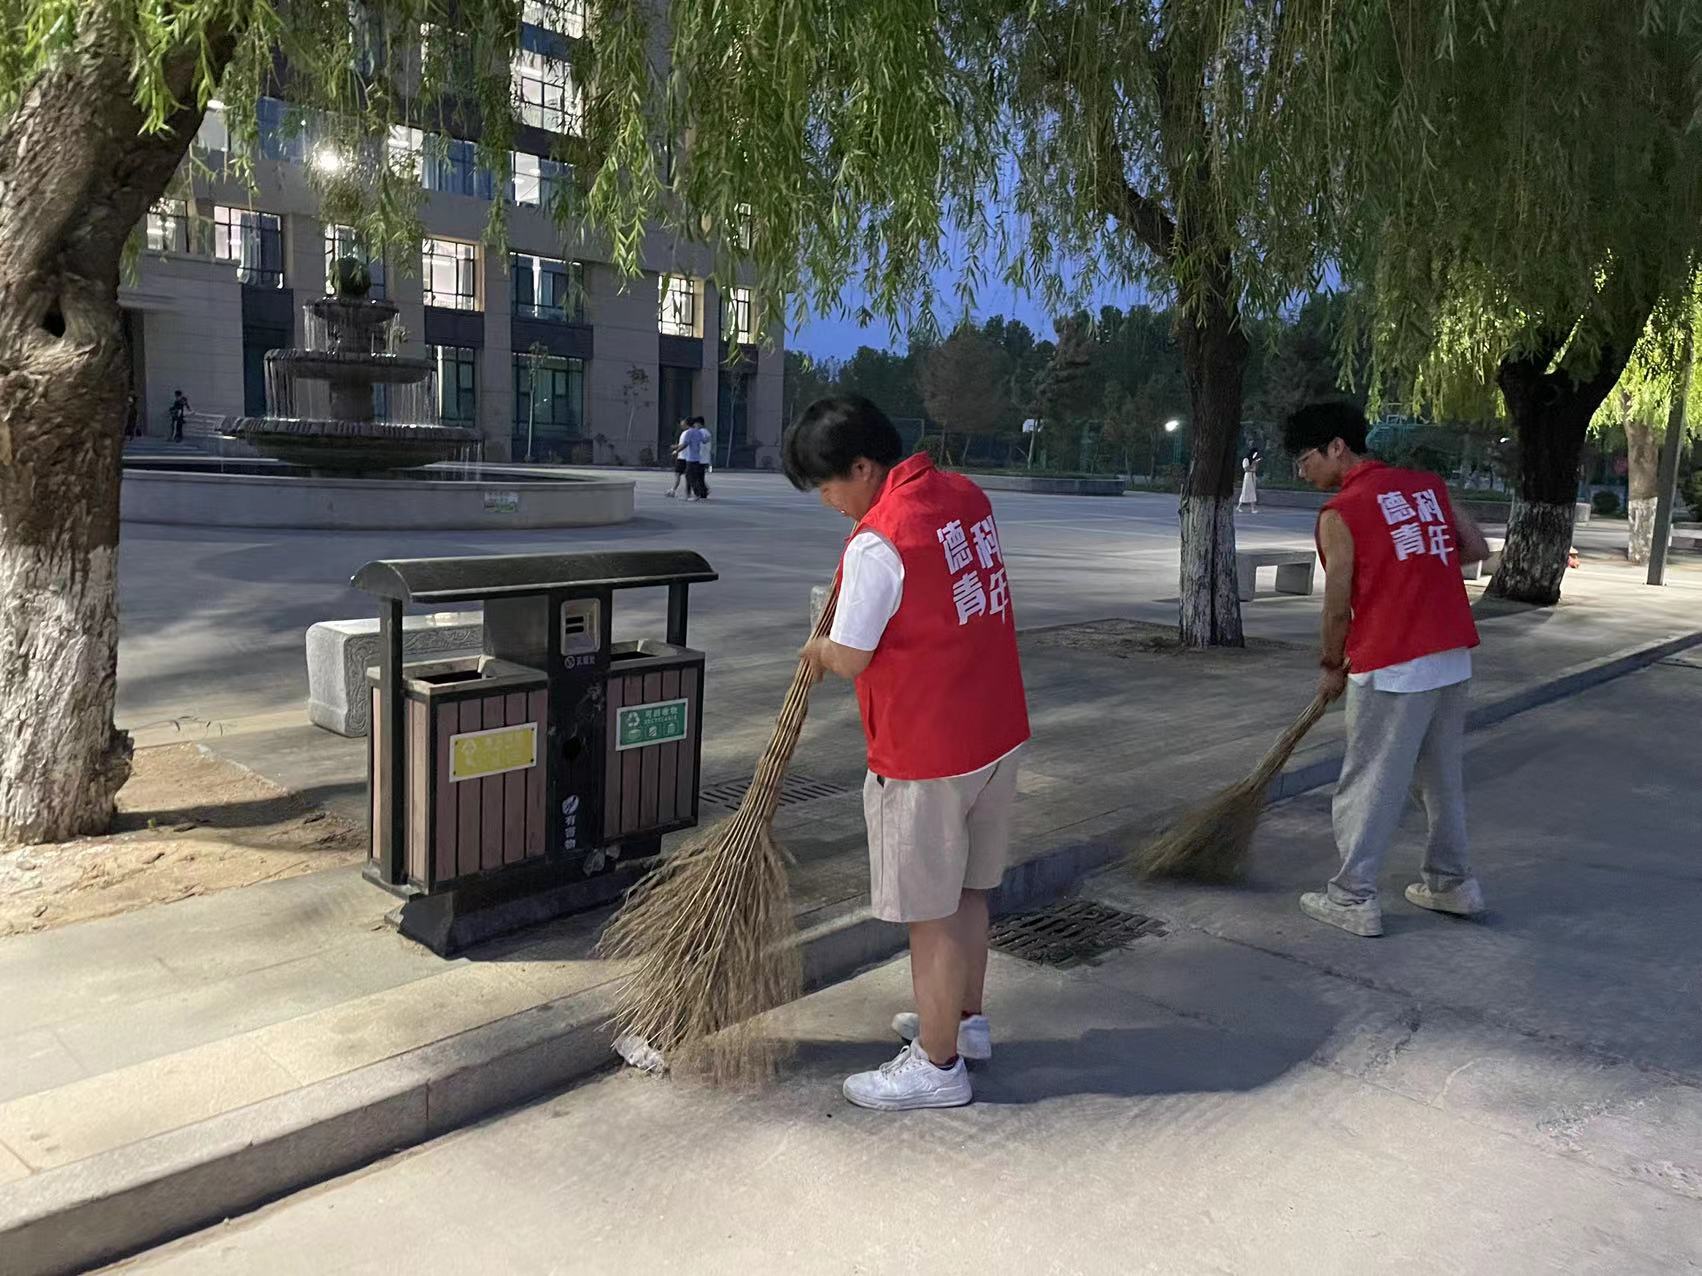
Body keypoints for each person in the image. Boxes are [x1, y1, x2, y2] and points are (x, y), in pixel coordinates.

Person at [789, 395, 1030, 1110]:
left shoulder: (878, 539)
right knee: (970, 892)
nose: (828, 501)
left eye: (828, 485)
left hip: (928, 750)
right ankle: (963, 1021)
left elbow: (853, 656)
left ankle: (936, 1064)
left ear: (863, 467)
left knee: (932, 912)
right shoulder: (963, 494)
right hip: (996, 731)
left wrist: (817, 645)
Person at [1284, 400, 1492, 938]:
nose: (1303, 472)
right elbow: (1475, 548)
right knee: (1440, 777)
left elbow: (1335, 605)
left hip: (1393, 663)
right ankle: (1452, 883)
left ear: (1337, 447)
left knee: (1370, 778)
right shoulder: (1427, 486)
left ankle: (1352, 896)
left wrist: (1332, 664)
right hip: (1450, 656)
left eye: (1305, 459)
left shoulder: (1342, 511)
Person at [682, 416, 712, 500]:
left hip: (698, 458)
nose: (695, 425)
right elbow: (705, 441)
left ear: (698, 423)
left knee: (692, 476)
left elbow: (696, 444)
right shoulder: (705, 432)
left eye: (696, 424)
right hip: (702, 458)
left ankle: (697, 493)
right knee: (699, 477)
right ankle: (702, 492)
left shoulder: (700, 431)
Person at [665, 417, 690, 497]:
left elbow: (684, 444)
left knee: (678, 474)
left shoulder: (687, 433)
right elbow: (682, 444)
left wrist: (676, 450)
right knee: (681, 474)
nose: (681, 425)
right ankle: (680, 491)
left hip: (683, 457)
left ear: (686, 424)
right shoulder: (685, 432)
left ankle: (674, 490)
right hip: (683, 456)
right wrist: (675, 446)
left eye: (683, 423)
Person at [1239, 448, 1261, 513]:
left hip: (1253, 476)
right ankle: (1249, 508)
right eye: (1254, 454)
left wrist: (1256, 463)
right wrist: (1253, 464)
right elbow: (1246, 469)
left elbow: (1255, 469)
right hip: (1248, 476)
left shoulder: (1253, 460)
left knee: (1252, 491)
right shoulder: (1246, 460)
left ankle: (1252, 508)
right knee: (1246, 491)